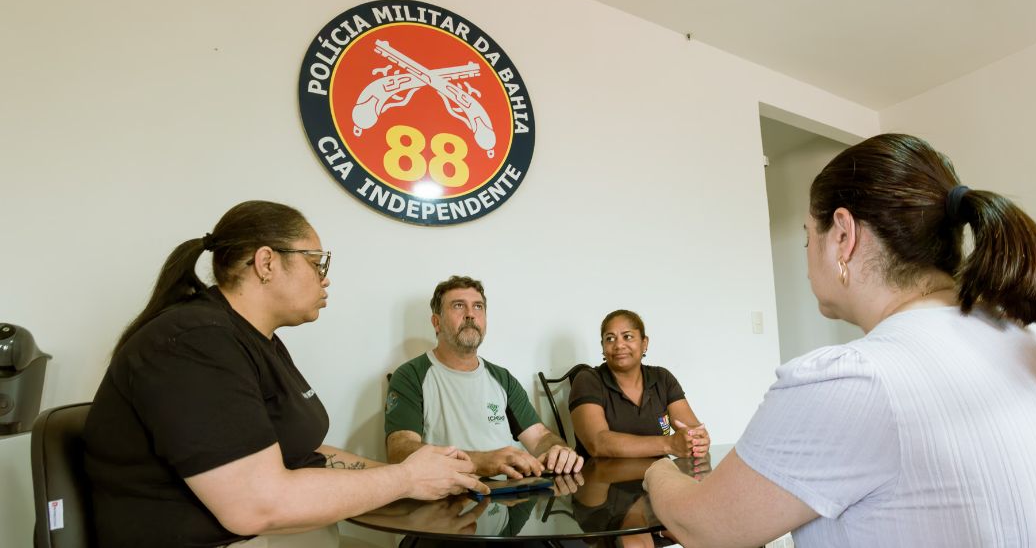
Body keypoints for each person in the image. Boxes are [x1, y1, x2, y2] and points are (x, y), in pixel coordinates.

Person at [642, 134, 1036, 548]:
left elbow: (703, 526)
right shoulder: (1035, 345)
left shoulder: (855, 377)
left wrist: (657, 471)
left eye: (806, 238)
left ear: (843, 235)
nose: (806, 254)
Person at [83, 201, 484, 548]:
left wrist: (425, 474)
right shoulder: (195, 342)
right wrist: (405, 479)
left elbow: (302, 455)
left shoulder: (256, 341)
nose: (325, 277)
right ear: (267, 262)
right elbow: (256, 505)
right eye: (316, 262)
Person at [385, 275, 584, 478]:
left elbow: (540, 437)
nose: (470, 314)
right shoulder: (411, 376)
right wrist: (479, 462)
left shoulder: (502, 378)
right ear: (437, 323)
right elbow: (400, 451)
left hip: (503, 500)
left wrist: (558, 451)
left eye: (478, 307)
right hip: (443, 501)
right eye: (458, 306)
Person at [569, 309, 709, 459]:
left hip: (659, 477)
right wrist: (669, 444)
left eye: (627, 337)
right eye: (610, 339)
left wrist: (697, 440)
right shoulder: (587, 380)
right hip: (604, 478)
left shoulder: (662, 378)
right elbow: (597, 443)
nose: (618, 345)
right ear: (602, 346)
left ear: (644, 343)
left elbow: (692, 429)